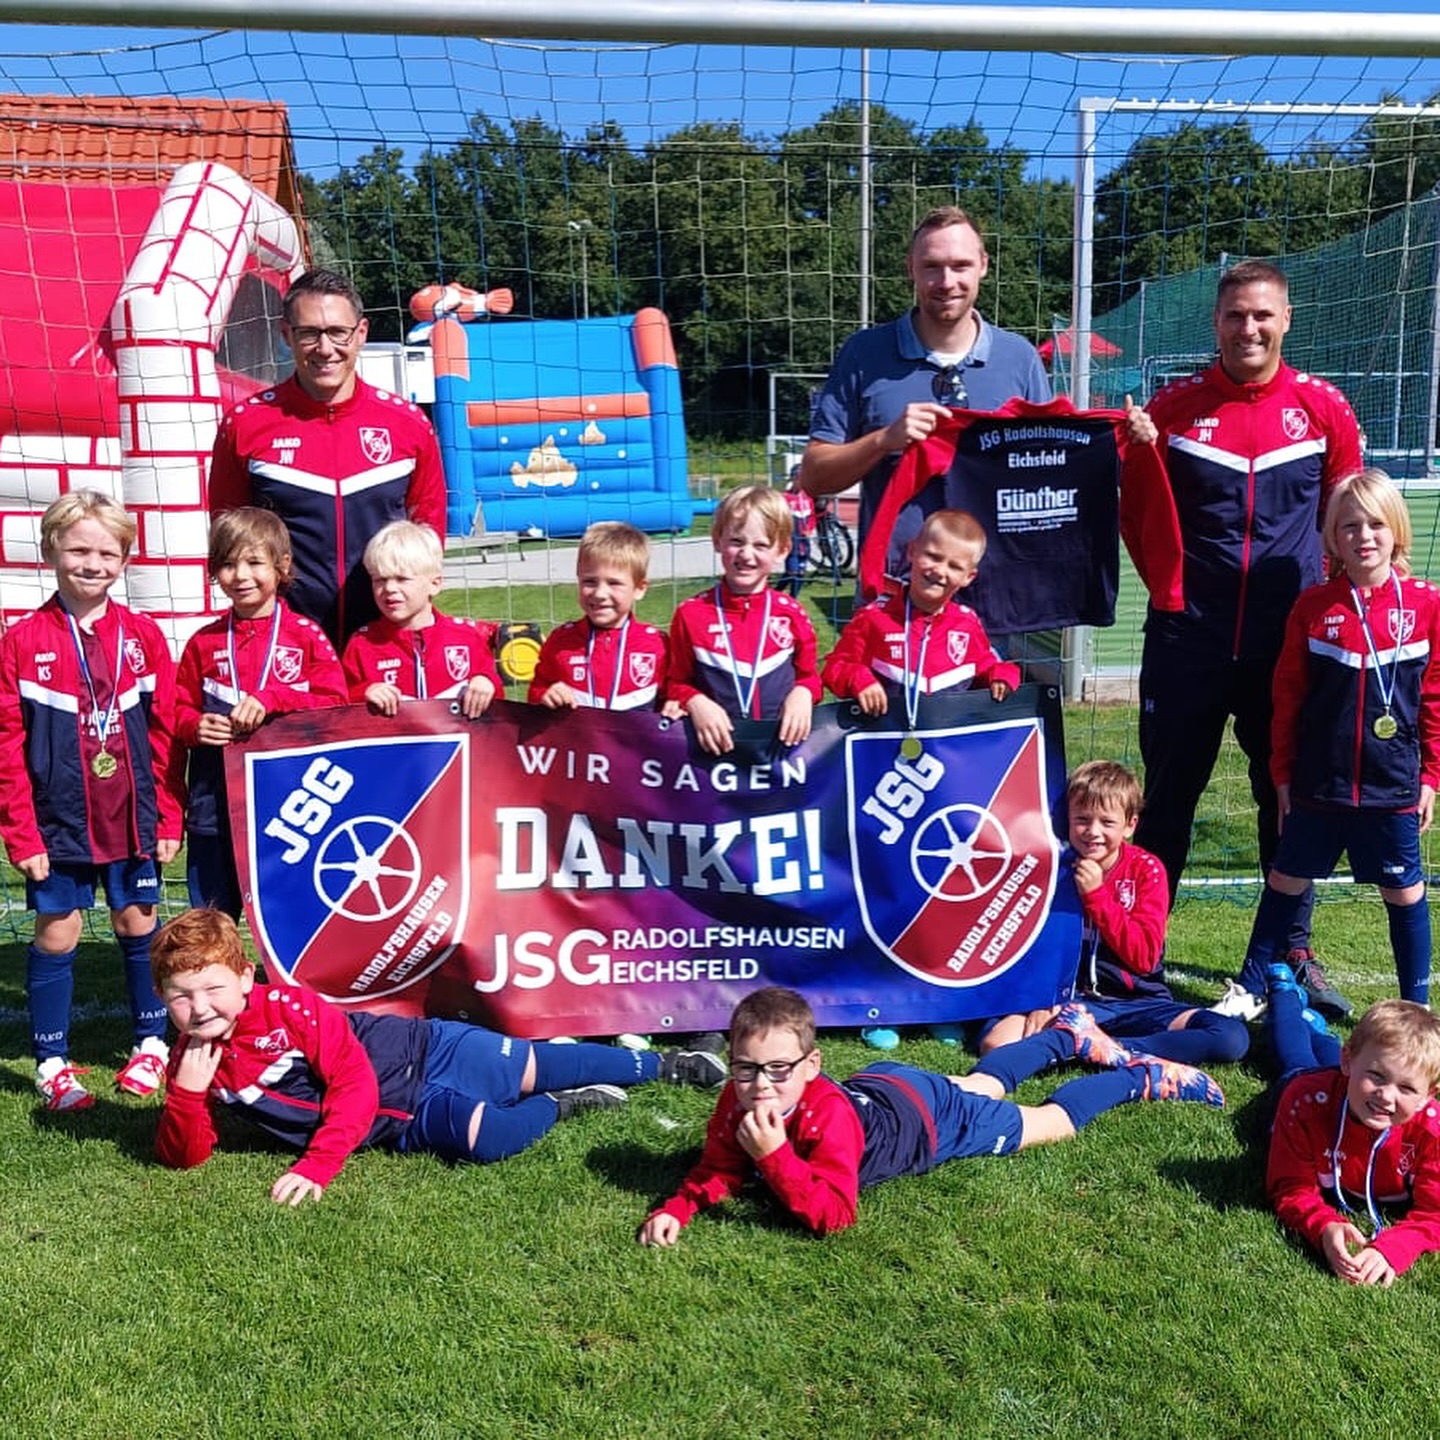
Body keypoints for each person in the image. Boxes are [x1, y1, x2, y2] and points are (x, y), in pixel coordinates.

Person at [1124, 260, 1364, 1020]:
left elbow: (1352, 525)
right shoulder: (1174, 409)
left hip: (1286, 652)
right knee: (1166, 803)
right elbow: (1134, 509)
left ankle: (1289, 955)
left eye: (1263, 315)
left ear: (1287, 319)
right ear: (1217, 324)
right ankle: (1138, 957)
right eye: (1235, 316)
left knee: (1288, 800)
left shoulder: (1325, 409)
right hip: (1186, 642)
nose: (1249, 328)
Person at [151, 908, 729, 1204]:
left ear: (246, 977)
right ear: (163, 1000)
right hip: (400, 1121)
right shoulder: (191, 1061)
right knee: (488, 1140)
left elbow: (353, 1082)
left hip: (428, 1051)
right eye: (182, 996)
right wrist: (187, 1096)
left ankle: (670, 1065)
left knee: (526, 1065)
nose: (199, 1007)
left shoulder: (292, 1008)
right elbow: (186, 1158)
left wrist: (317, 1165)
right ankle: (564, 1106)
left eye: (213, 988)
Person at [637, 985, 1223, 1244]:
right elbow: (719, 1165)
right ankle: (1063, 1037)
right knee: (982, 1083)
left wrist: (778, 1158)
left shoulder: (825, 1119)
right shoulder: (734, 1097)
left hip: (926, 1119)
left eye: (778, 1070)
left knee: (1048, 1123)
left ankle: (1138, 1078)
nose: (760, 1087)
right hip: (888, 1084)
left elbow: (835, 1215)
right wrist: (679, 1208)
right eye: (745, 1069)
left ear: (812, 1065)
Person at [0, 491, 182, 1108]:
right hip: (58, 822)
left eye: (107, 551)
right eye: (79, 548)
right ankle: (52, 1061)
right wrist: (22, 833)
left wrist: (168, 814)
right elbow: (6, 747)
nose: (93, 563)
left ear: (125, 559)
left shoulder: (144, 636)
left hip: (131, 817)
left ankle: (152, 1044)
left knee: (140, 922)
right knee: (58, 931)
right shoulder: (22, 641)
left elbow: (166, 734)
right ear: (52, 549)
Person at [1232, 469, 1440, 1007]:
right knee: (1287, 878)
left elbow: (1435, 698)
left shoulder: (1424, 607)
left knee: (1403, 889)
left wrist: (1431, 776)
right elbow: (1288, 700)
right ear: (1332, 538)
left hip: (1391, 785)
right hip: (1319, 784)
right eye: (1350, 526)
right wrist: (1281, 775)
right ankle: (1249, 987)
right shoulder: (1313, 608)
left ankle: (1415, 1006)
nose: (1364, 536)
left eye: (1375, 524)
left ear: (1396, 530)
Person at [798, 205, 1050, 580]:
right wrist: (883, 440)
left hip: (995, 598)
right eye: (932, 266)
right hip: (892, 598)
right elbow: (815, 477)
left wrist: (1124, 442)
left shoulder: (1020, 358)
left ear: (983, 264)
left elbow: (1049, 473)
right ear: (910, 268)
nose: (947, 281)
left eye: (960, 265)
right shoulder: (864, 354)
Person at [208, 268, 447, 647]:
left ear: (361, 334)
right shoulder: (246, 425)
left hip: (383, 643)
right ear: (287, 335)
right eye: (309, 333)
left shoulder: (408, 425)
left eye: (338, 332)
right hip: (285, 647)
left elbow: (429, 537)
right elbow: (228, 538)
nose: (325, 348)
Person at [977, 761, 1249, 1069]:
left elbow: (1144, 958)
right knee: (995, 1044)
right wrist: (1044, 1001)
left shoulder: (1147, 870)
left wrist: (1096, 896)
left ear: (1130, 825)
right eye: (1082, 820)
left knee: (1229, 1036)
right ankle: (1078, 1040)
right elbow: (1030, 947)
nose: (1093, 832)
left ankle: (1099, 1046)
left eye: (1107, 822)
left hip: (1140, 1005)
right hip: (1071, 1004)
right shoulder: (1051, 867)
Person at [173, 508, 347, 917]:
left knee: (293, 915)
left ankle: (286, 984)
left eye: (254, 562)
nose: (241, 575)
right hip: (213, 807)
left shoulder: (306, 636)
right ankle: (218, 982)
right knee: (213, 918)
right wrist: (194, 726)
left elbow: (336, 704)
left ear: (282, 566)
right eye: (229, 564)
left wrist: (276, 698)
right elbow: (175, 712)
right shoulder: (203, 642)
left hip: (290, 807)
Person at [1267, 996, 1440, 1286]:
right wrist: (1323, 1227)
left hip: (1346, 1080)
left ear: (1429, 1096)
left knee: (1318, 1046)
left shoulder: (1432, 1133)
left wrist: (1395, 1248)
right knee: (1295, 1059)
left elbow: (1435, 1214)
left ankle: (1313, 1025)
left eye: (1407, 1087)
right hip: (1312, 1085)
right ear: (1347, 1060)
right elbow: (1289, 1187)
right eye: (1376, 1076)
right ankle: (1285, 997)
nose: (1386, 1096)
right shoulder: (1304, 1102)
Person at [665, 485, 820, 757]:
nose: (746, 555)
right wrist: (695, 701)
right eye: (736, 541)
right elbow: (675, 682)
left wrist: (804, 694)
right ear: (717, 541)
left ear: (782, 550)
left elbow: (809, 677)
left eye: (761, 545)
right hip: (711, 757)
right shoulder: (691, 614)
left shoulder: (792, 613)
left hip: (777, 756)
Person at [822, 508, 1019, 714]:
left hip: (945, 740)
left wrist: (1002, 674)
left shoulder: (966, 624)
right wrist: (858, 679)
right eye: (933, 556)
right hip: (885, 736)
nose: (940, 571)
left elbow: (986, 667)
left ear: (968, 577)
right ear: (912, 551)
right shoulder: (873, 617)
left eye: (954, 566)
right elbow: (834, 668)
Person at [342, 520, 502, 718]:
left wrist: (487, 683)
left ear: (434, 584)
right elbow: (340, 702)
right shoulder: (362, 644)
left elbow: (497, 699)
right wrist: (363, 693)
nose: (389, 588)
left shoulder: (466, 638)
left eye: (402, 579)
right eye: (380, 580)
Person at [528, 521, 668, 711]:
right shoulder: (560, 642)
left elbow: (673, 694)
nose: (600, 594)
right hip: (577, 740)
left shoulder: (658, 645)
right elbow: (536, 693)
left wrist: (678, 703)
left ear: (639, 589)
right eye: (590, 581)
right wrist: (545, 694)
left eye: (614, 583)